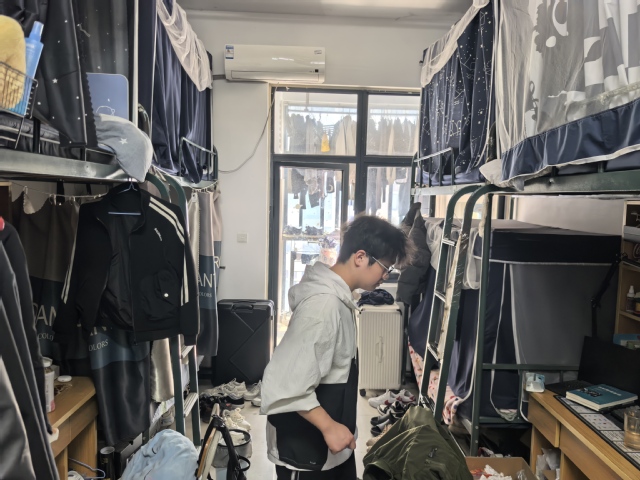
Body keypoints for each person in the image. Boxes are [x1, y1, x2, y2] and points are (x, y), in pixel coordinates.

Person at [261, 215, 410, 479]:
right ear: (360, 257)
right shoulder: (323, 306)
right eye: (385, 267)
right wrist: (329, 427)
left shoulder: (340, 299)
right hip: (305, 452)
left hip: (330, 447)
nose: (385, 276)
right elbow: (283, 383)